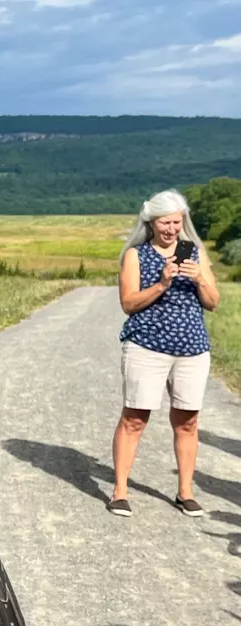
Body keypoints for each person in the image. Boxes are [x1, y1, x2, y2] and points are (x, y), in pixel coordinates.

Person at [108, 189, 221, 518]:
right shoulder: (136, 256)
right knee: (135, 418)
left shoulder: (196, 254)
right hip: (147, 345)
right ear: (151, 222)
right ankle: (120, 491)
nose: (172, 229)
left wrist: (199, 278)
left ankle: (185, 491)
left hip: (192, 348)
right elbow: (128, 304)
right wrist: (161, 283)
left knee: (188, 420)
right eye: (165, 223)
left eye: (177, 222)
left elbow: (213, 303)